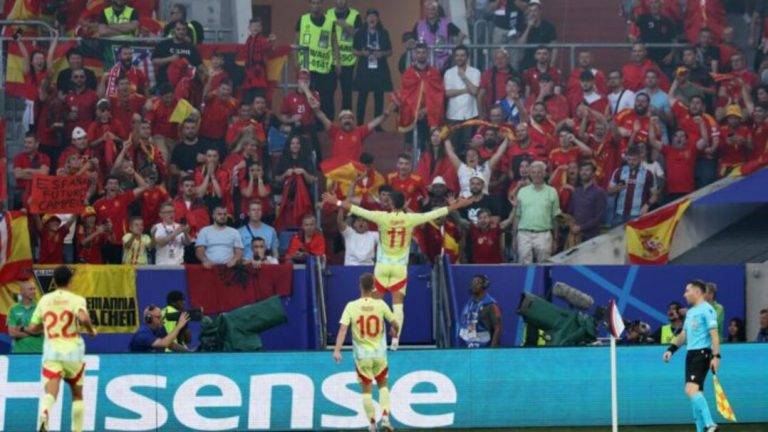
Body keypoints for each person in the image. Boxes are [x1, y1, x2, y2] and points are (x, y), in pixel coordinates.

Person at [323, 190, 472, 347]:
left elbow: (357, 210)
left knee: (376, 303)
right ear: (403, 203)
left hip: (382, 266)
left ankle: (374, 338)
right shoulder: (410, 219)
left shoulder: (382, 217)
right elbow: (435, 214)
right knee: (398, 304)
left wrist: (336, 201)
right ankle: (395, 340)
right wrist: (457, 205)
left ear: (391, 204)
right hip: (399, 267)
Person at [26, 266, 97, 432]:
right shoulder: (76, 299)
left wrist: (43, 327)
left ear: (54, 281)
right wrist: (91, 330)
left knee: (51, 391)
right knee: (77, 394)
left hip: (52, 351)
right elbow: (83, 318)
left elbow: (33, 327)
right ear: (70, 281)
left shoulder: (44, 300)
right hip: (73, 351)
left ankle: (45, 411)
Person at [332, 272, 399, 432]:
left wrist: (337, 350)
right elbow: (395, 323)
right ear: (374, 287)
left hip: (362, 356)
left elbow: (343, 329)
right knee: (383, 386)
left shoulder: (351, 306)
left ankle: (372, 424)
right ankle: (385, 417)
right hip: (379, 354)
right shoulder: (381, 305)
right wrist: (394, 332)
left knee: (367, 390)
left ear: (360, 286)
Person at [662, 280, 721, 432]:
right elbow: (684, 334)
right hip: (691, 355)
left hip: (702, 354)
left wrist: (716, 356)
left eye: (687, 291)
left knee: (690, 390)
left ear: (697, 292)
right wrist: (671, 349)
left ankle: (711, 424)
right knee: (696, 394)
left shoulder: (707, 310)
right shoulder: (691, 312)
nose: (685, 294)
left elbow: (714, 334)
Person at [296, 0, 339, 122]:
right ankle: (309, 124)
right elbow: (296, 42)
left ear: (322, 4)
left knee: (327, 98)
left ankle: (328, 125)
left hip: (325, 67)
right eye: (313, 3)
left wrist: (337, 61)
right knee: (307, 96)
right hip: (307, 67)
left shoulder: (330, 21)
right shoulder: (302, 20)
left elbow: (334, 43)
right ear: (309, 4)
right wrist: (296, 62)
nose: (316, 5)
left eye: (318, 3)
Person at [310, 97, 390, 161]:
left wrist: (384, 116)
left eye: (349, 118)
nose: (347, 120)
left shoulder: (359, 131)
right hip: (338, 170)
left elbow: (373, 124)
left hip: (354, 170)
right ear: (340, 121)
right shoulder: (335, 131)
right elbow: (323, 118)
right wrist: (316, 110)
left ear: (353, 121)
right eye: (344, 118)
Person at [514, 161, 561, 264]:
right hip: (524, 234)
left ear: (544, 174)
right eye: (533, 172)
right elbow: (517, 216)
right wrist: (514, 237)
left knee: (543, 266)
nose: (536, 175)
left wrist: (555, 239)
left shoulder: (552, 191)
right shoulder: (522, 191)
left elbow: (555, 217)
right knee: (524, 267)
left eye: (539, 172)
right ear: (530, 174)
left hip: (544, 234)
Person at [353, 9, 393, 125]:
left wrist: (382, 54)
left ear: (378, 19)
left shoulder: (383, 33)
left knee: (379, 96)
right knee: (362, 96)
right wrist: (362, 53)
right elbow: (354, 50)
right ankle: (360, 124)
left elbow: (390, 51)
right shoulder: (360, 33)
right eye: (369, 16)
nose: (372, 18)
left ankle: (377, 125)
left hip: (379, 68)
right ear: (366, 19)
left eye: (374, 16)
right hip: (364, 67)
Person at [327, 0, 363, 112]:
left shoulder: (355, 15)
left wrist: (346, 26)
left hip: (348, 61)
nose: (340, 1)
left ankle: (346, 119)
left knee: (347, 93)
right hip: (331, 60)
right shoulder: (328, 14)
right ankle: (328, 119)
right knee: (327, 92)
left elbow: (361, 36)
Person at [608, 145, 656, 225]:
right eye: (629, 159)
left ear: (640, 159)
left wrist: (647, 206)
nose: (631, 162)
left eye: (634, 160)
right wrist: (619, 187)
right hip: (619, 214)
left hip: (638, 214)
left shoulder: (648, 174)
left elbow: (655, 195)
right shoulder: (619, 171)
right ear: (626, 158)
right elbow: (609, 192)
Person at [444, 45, 481, 147]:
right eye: (457, 55)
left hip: (471, 114)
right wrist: (465, 90)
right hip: (453, 115)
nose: (459, 58)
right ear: (454, 57)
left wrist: (464, 77)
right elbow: (447, 93)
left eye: (462, 55)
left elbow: (474, 91)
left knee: (469, 147)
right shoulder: (449, 73)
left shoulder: (475, 72)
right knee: (453, 147)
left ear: (467, 57)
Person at [152, 20, 202, 85]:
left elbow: (199, 65)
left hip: (186, 83)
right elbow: (154, 61)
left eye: (183, 29)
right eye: (178, 29)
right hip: (166, 82)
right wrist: (169, 59)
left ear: (186, 31)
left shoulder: (191, 47)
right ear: (173, 31)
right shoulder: (163, 44)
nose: (181, 32)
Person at [458, 275, 502, 347]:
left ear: (484, 285)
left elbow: (498, 328)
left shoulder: (491, 305)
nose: (474, 285)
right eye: (473, 283)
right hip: (468, 347)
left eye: (477, 283)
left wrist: (493, 349)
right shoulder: (469, 305)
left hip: (485, 348)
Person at [567, 162, 606, 241]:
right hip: (575, 235)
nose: (583, 172)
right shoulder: (576, 191)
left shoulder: (599, 192)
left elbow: (599, 217)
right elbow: (570, 212)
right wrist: (571, 225)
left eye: (587, 170)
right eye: (582, 170)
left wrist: (581, 227)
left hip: (591, 237)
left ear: (593, 173)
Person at [12, 132, 51, 209]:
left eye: (29, 143)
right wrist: (38, 174)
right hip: (22, 192)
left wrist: (26, 170)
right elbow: (18, 174)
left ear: (37, 144)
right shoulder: (18, 157)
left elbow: (44, 174)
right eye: (25, 142)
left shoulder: (44, 157)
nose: (26, 145)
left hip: (39, 192)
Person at [5, 280, 43, 354]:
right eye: (30, 289)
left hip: (39, 352)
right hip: (19, 353)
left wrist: (22, 329)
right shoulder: (13, 309)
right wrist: (33, 333)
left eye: (34, 289)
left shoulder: (40, 307)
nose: (34, 291)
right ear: (22, 291)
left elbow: (42, 330)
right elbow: (12, 333)